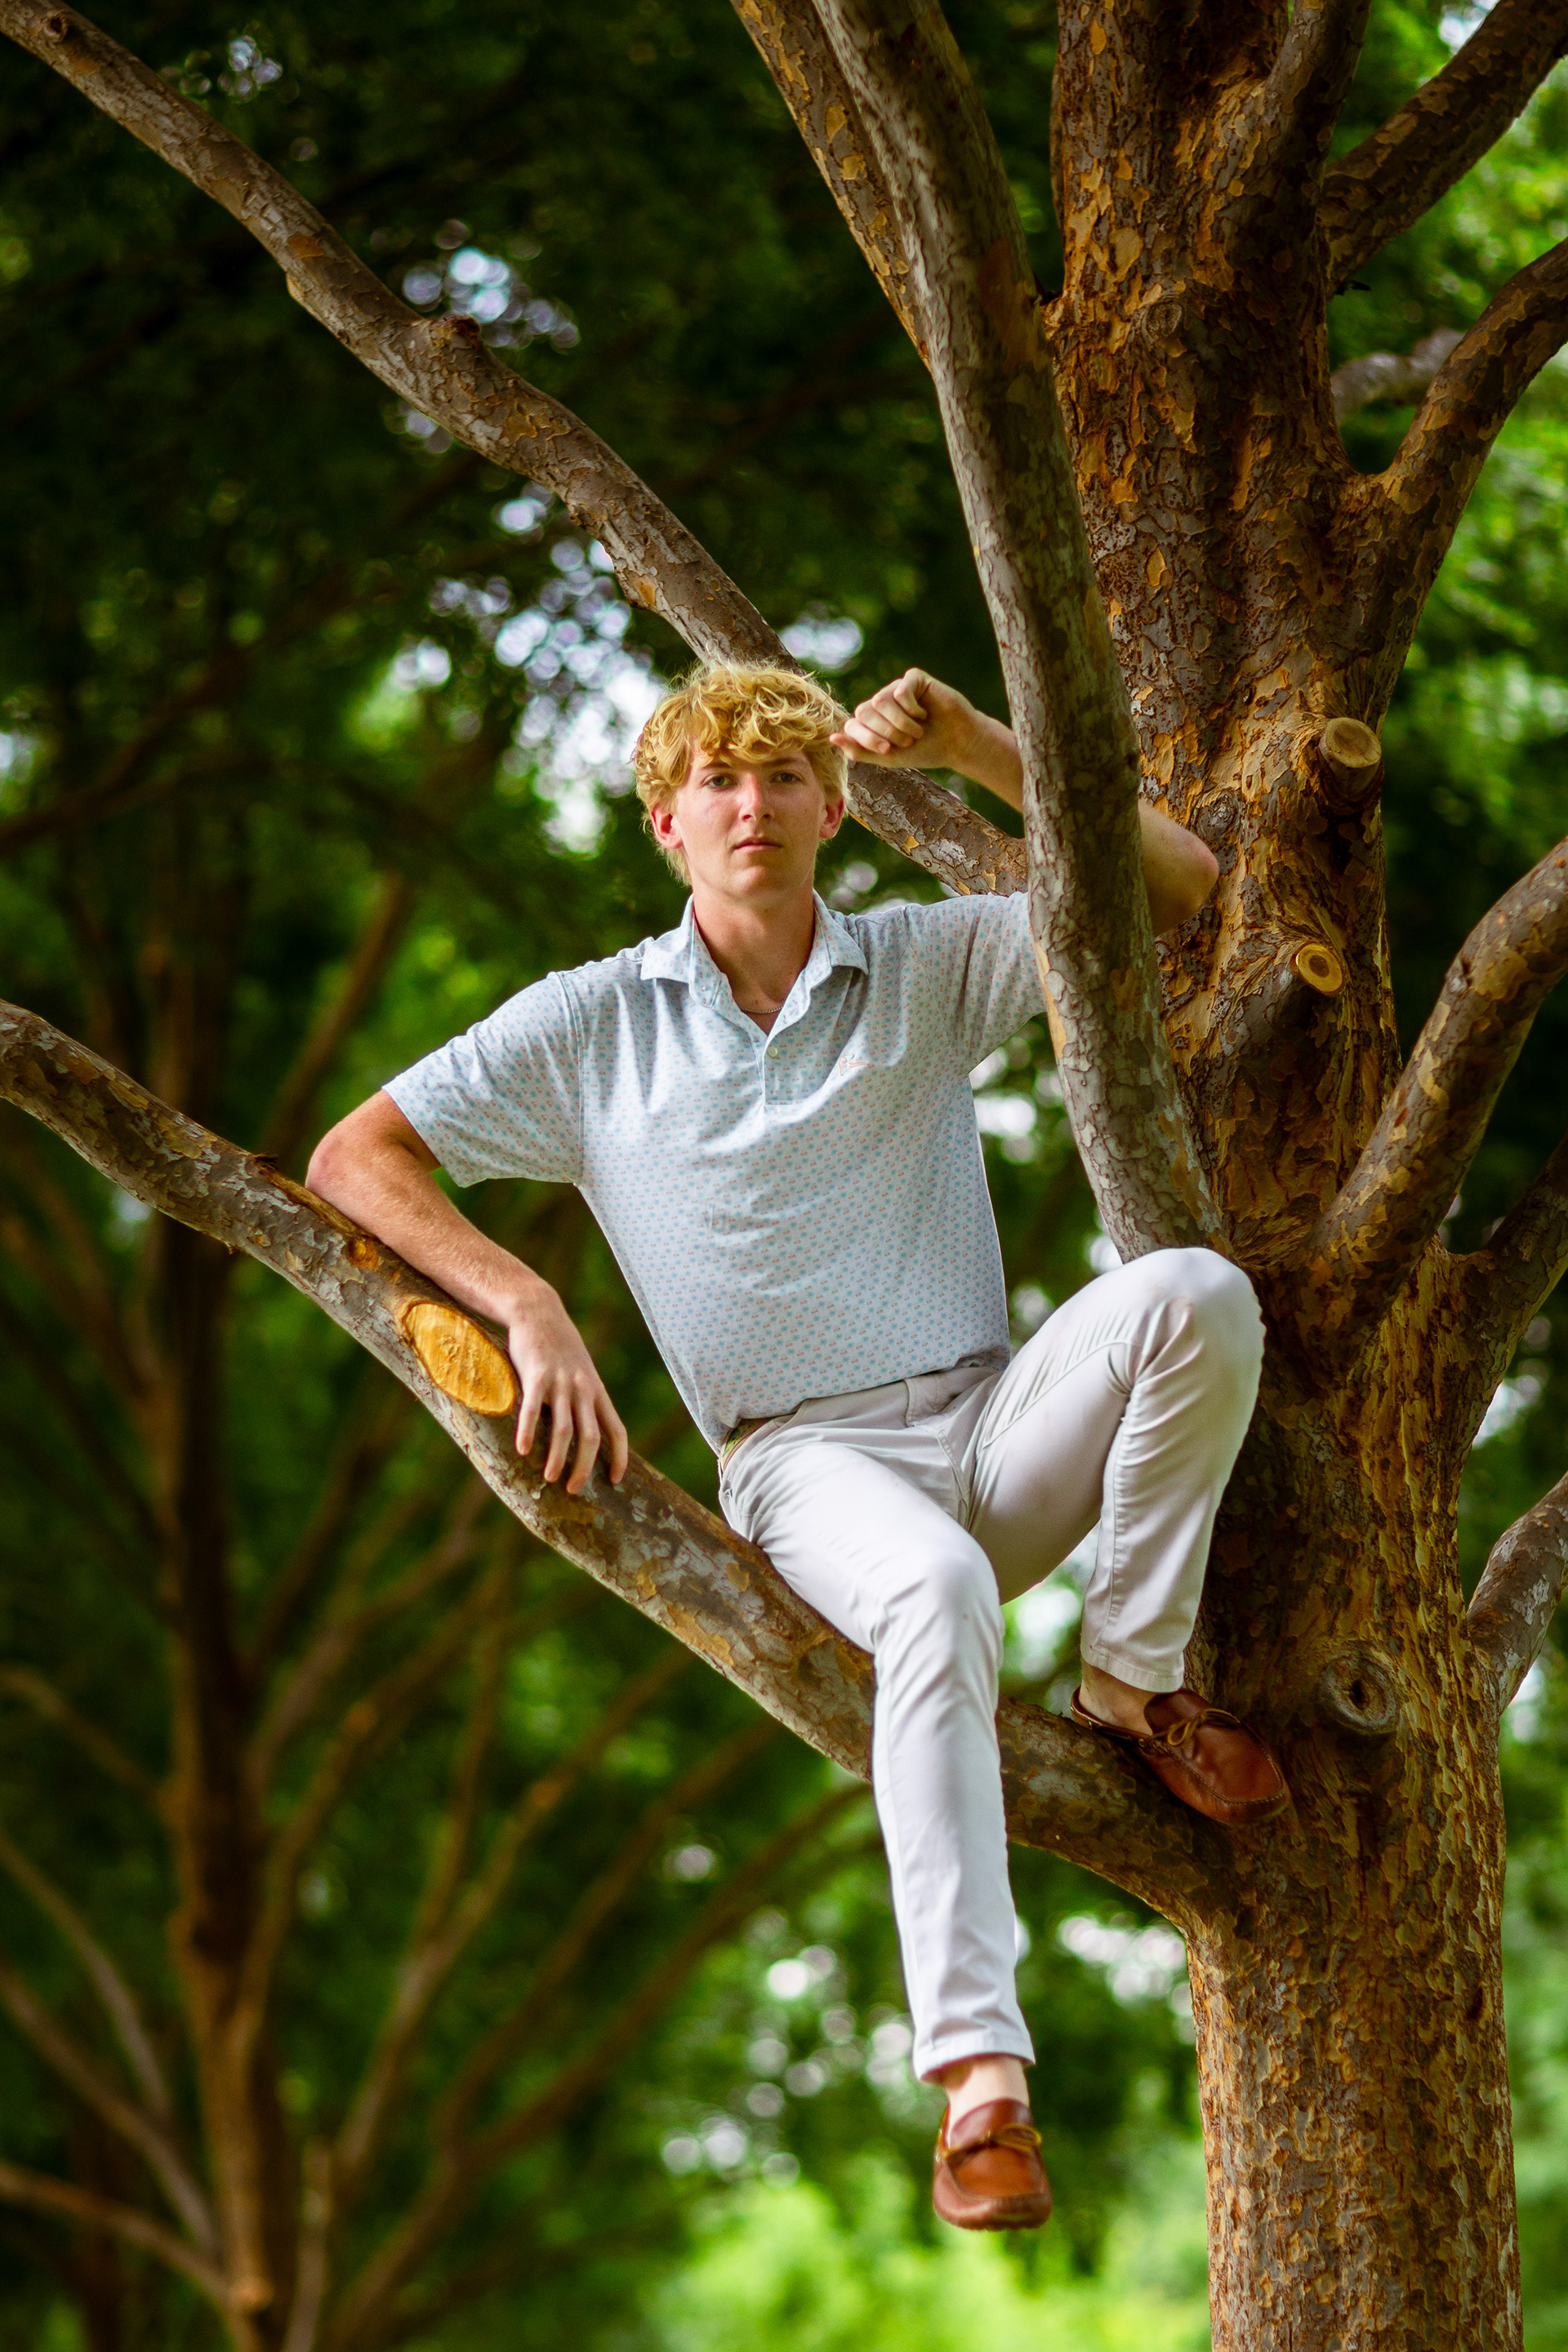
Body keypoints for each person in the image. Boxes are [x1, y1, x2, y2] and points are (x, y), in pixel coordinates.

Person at [306, 660, 1285, 2234]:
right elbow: (355, 1156)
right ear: (668, 824)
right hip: (807, 1466)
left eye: (782, 777)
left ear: (835, 808)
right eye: (717, 780)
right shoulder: (593, 1024)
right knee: (937, 1592)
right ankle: (981, 2086)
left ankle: (1130, 1676)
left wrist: (974, 744)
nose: (750, 804)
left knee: (1199, 1295)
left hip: (991, 1417)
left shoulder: (920, 963)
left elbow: (1178, 889)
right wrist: (525, 1300)